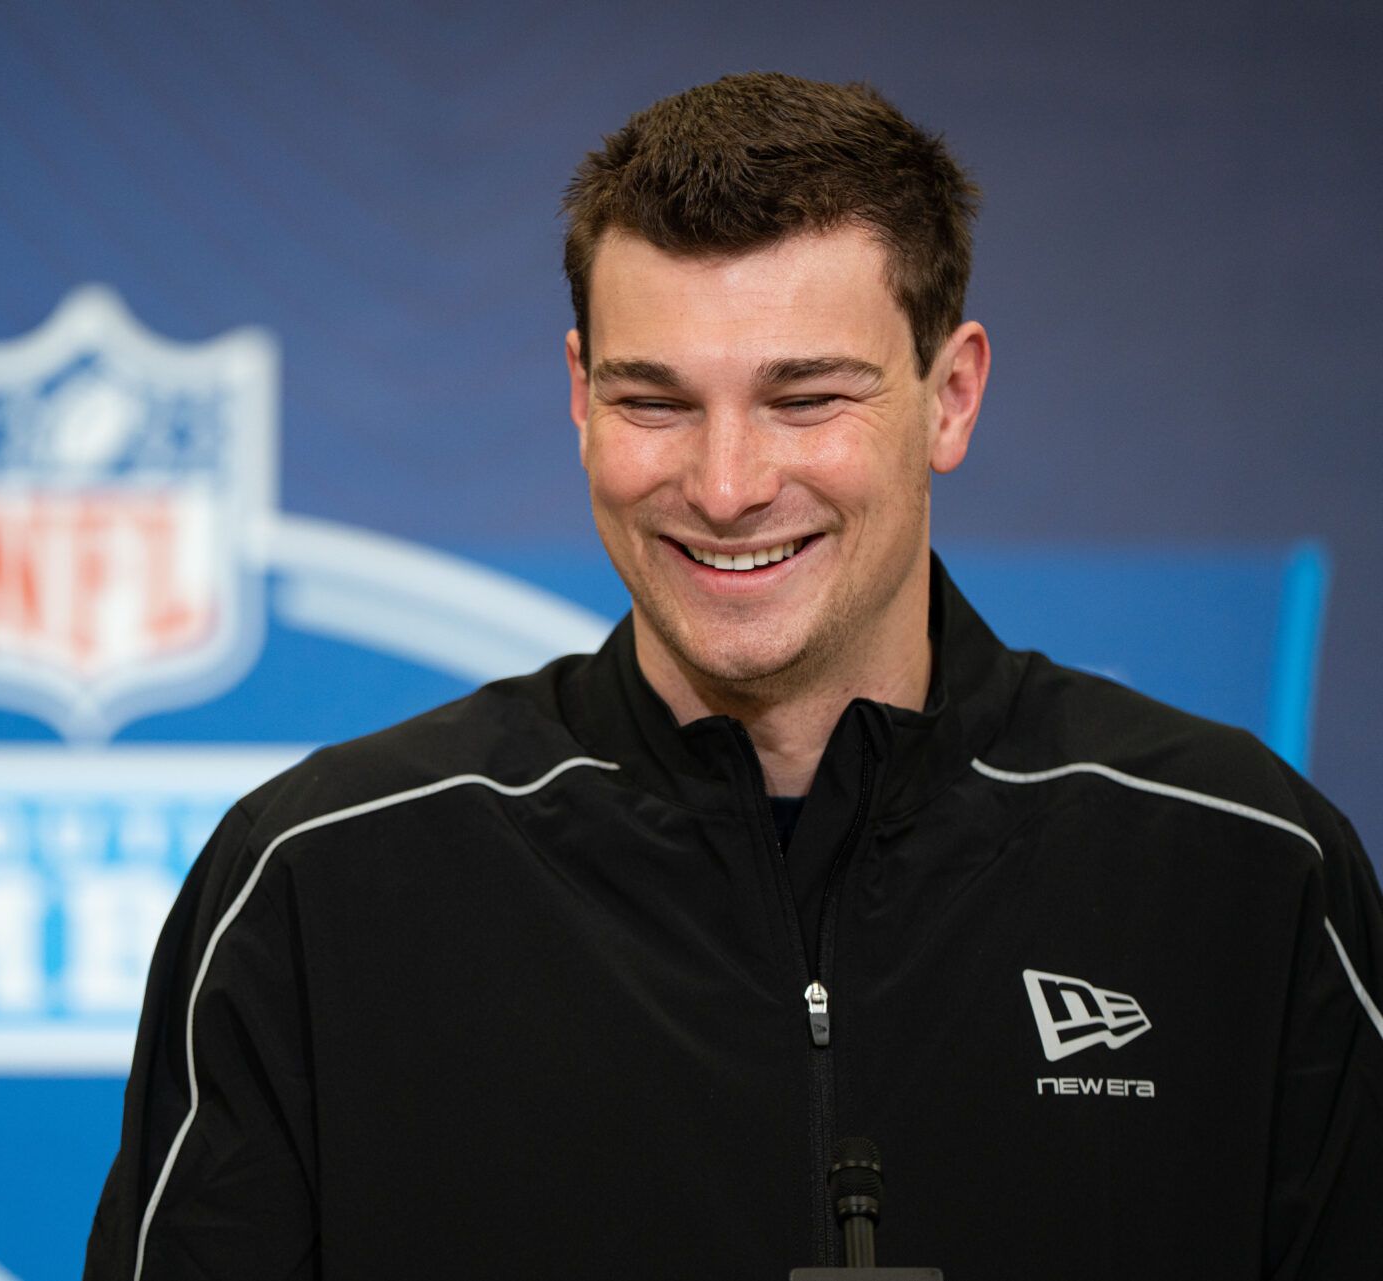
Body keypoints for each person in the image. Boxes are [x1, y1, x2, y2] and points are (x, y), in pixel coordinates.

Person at [85, 73, 1383, 1279]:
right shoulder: (319, 885)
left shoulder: (1246, 871)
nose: (724, 485)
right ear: (582, 397)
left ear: (952, 395)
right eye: (657, 401)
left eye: (805, 397)